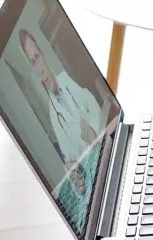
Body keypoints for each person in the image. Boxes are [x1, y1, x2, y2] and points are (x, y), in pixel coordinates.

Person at [19, 28, 105, 169]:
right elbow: (69, 158)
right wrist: (70, 167)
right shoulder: (54, 116)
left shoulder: (69, 77)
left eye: (37, 57)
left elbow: (96, 103)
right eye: (33, 63)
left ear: (43, 54)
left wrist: (93, 129)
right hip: (95, 167)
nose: (40, 68)